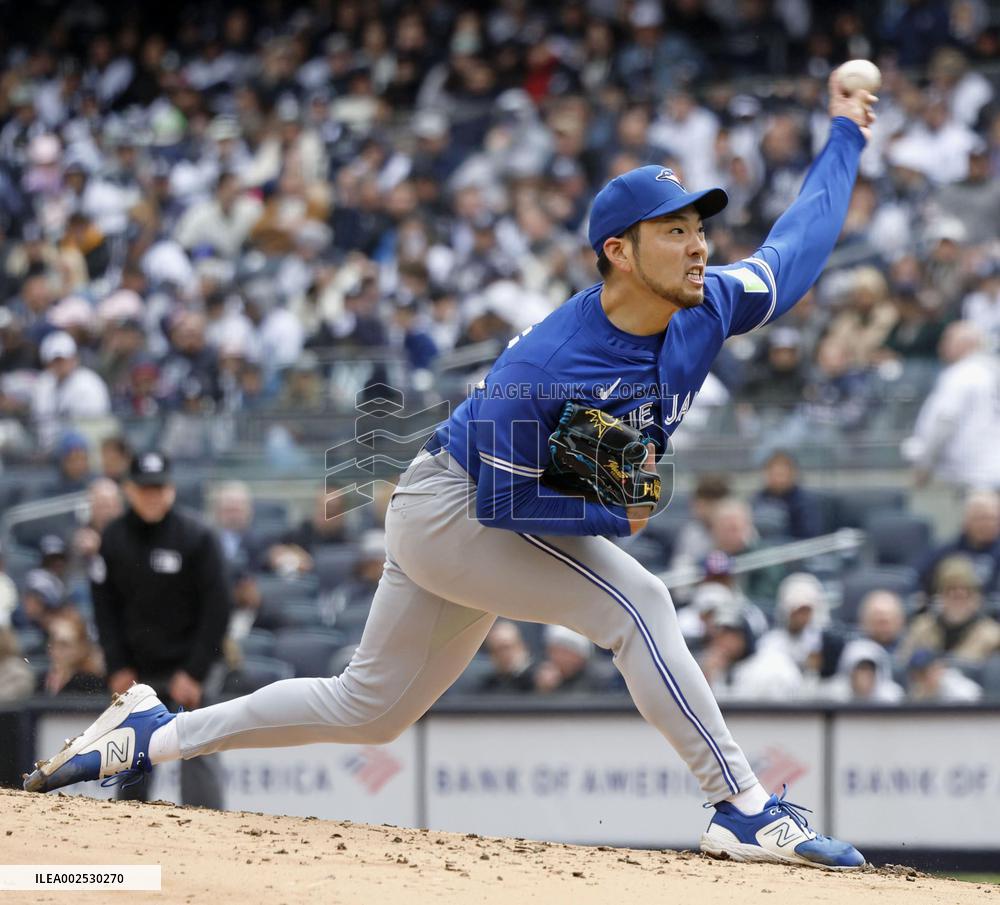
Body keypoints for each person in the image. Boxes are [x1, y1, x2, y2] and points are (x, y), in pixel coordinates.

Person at [25, 69, 875, 870]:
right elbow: (505, 503)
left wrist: (844, 132)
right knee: (638, 603)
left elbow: (795, 249)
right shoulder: (545, 364)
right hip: (456, 506)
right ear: (619, 251)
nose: (699, 247)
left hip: (473, 513)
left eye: (700, 228)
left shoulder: (707, 303)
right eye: (676, 231)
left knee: (368, 708)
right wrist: (613, 514)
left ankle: (155, 731)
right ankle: (741, 805)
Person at [85, 450, 232, 807]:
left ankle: (207, 828)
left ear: (171, 490)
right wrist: (118, 667)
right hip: (137, 671)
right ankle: (127, 825)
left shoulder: (197, 536)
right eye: (145, 488)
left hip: (191, 664)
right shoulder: (113, 539)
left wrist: (194, 672)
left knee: (197, 745)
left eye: (159, 488)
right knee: (130, 751)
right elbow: (104, 610)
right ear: (129, 490)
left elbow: (218, 609)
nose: (153, 496)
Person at [897, 555, 1000, 666]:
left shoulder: (993, 636)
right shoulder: (920, 628)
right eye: (951, 589)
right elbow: (902, 665)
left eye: (966, 590)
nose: (959, 594)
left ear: (977, 597)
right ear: (939, 595)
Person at [477, 619, 535, 694]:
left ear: (522, 646)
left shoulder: (538, 678)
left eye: (506, 647)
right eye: (496, 650)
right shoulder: (487, 686)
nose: (503, 654)